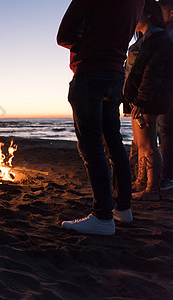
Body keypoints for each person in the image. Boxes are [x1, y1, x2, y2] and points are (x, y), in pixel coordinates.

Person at [57, 0, 144, 235]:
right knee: (113, 141)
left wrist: (87, 35)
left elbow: (63, 35)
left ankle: (102, 215)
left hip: (90, 70)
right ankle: (122, 209)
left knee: (91, 145)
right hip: (116, 72)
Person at [123, 0, 173, 201]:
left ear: (149, 15)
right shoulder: (143, 40)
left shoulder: (157, 39)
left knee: (148, 144)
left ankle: (152, 189)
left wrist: (142, 99)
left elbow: (152, 73)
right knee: (139, 143)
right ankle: (141, 182)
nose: (134, 18)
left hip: (147, 100)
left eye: (138, 13)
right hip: (137, 100)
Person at [158, 0, 173, 190]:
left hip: (167, 90)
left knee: (166, 132)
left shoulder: (167, 35)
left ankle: (166, 176)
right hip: (165, 90)